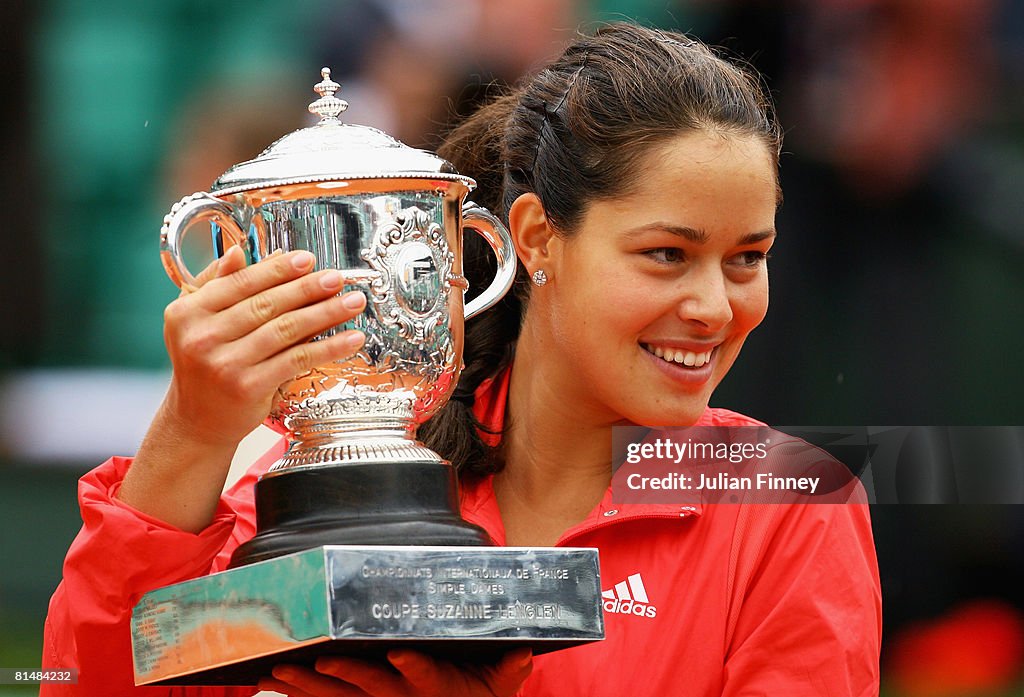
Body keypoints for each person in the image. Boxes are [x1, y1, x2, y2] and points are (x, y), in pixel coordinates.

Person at [43, 22, 881, 697]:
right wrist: (189, 438)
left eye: (747, 257)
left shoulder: (789, 502)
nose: (713, 306)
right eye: (667, 254)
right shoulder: (322, 472)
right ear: (536, 237)